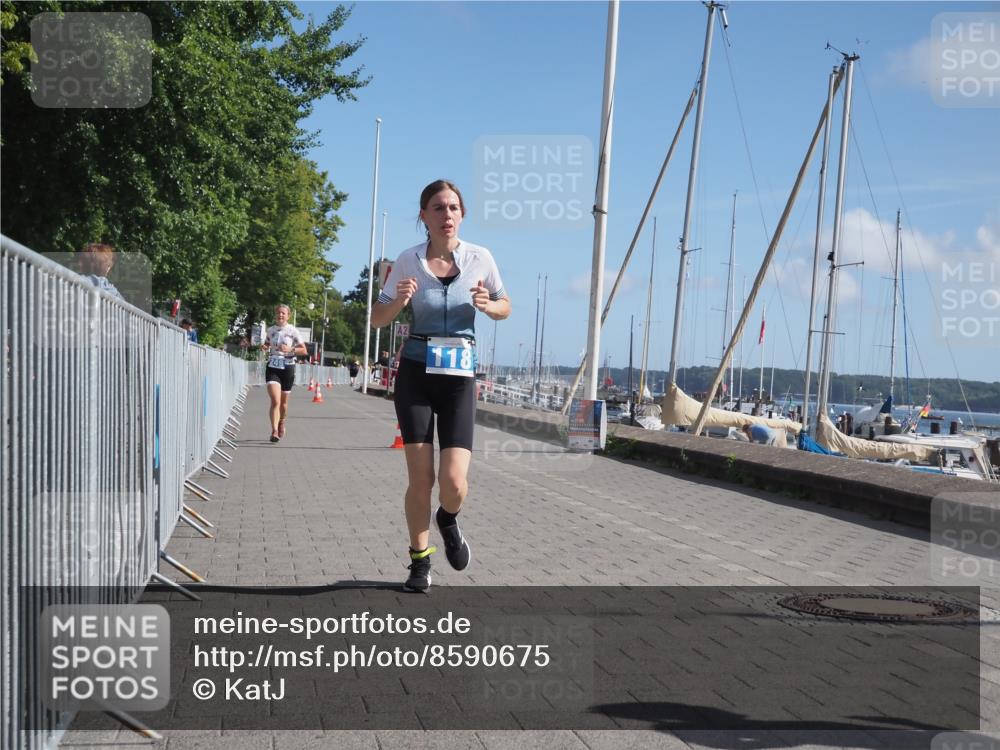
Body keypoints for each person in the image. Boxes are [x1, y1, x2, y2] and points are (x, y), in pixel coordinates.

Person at [371, 180, 511, 593]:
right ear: (424, 216)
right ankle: (419, 562)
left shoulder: (480, 258)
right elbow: (378, 319)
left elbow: (506, 305)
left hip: (458, 380)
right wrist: (398, 301)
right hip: (416, 372)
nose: (446, 215)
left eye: (452, 207)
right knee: (421, 479)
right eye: (437, 208)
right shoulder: (407, 261)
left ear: (461, 215)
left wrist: (490, 306)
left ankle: (448, 519)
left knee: (453, 484)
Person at [262, 304, 307, 443]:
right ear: (275, 315)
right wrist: (264, 347)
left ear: (288, 316)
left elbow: (304, 350)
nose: (280, 315)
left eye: (283, 313)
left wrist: (291, 349)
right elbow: (267, 345)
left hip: (288, 367)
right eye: (278, 313)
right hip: (273, 367)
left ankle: (282, 421)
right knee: (275, 400)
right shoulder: (270, 330)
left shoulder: (293, 331)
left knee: (284, 403)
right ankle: (274, 430)